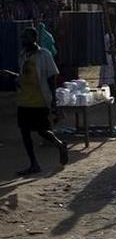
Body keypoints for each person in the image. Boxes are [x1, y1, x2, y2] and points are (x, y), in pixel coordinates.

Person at [0, 28, 68, 175]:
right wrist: (11, 76)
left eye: (26, 39)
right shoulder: (23, 55)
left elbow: (52, 78)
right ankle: (33, 164)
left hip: (39, 99)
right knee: (25, 132)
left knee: (42, 131)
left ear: (34, 39)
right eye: (23, 39)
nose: (24, 41)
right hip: (24, 99)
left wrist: (53, 100)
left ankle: (60, 145)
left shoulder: (44, 55)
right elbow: (24, 76)